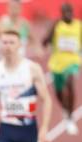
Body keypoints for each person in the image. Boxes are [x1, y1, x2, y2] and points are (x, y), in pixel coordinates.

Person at [43, 2, 81, 135]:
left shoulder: (79, 26)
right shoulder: (57, 25)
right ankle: (65, 109)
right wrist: (51, 31)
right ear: (61, 13)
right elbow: (45, 41)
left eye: (70, 12)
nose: (68, 15)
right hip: (57, 64)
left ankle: (70, 117)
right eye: (65, 12)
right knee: (59, 92)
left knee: (70, 84)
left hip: (73, 62)